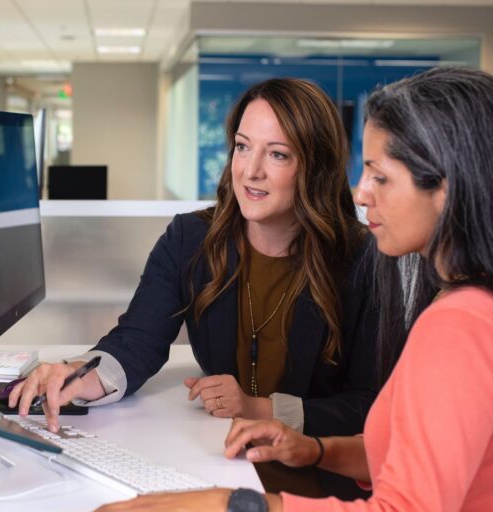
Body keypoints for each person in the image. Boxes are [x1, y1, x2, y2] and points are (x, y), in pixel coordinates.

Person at [95, 66, 493, 512]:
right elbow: (404, 455)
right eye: (242, 148)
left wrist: (231, 504)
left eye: (380, 176)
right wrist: (314, 449)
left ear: (446, 188)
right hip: (259, 458)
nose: (361, 194)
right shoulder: (459, 305)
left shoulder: (455, 321)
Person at [11, 78, 378, 497]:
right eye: (243, 147)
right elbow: (138, 339)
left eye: (277, 154)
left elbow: (368, 405)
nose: (250, 170)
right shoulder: (191, 239)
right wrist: (81, 376)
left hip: (321, 482)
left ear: (316, 167)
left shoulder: (361, 260)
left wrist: (261, 408)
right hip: (222, 464)